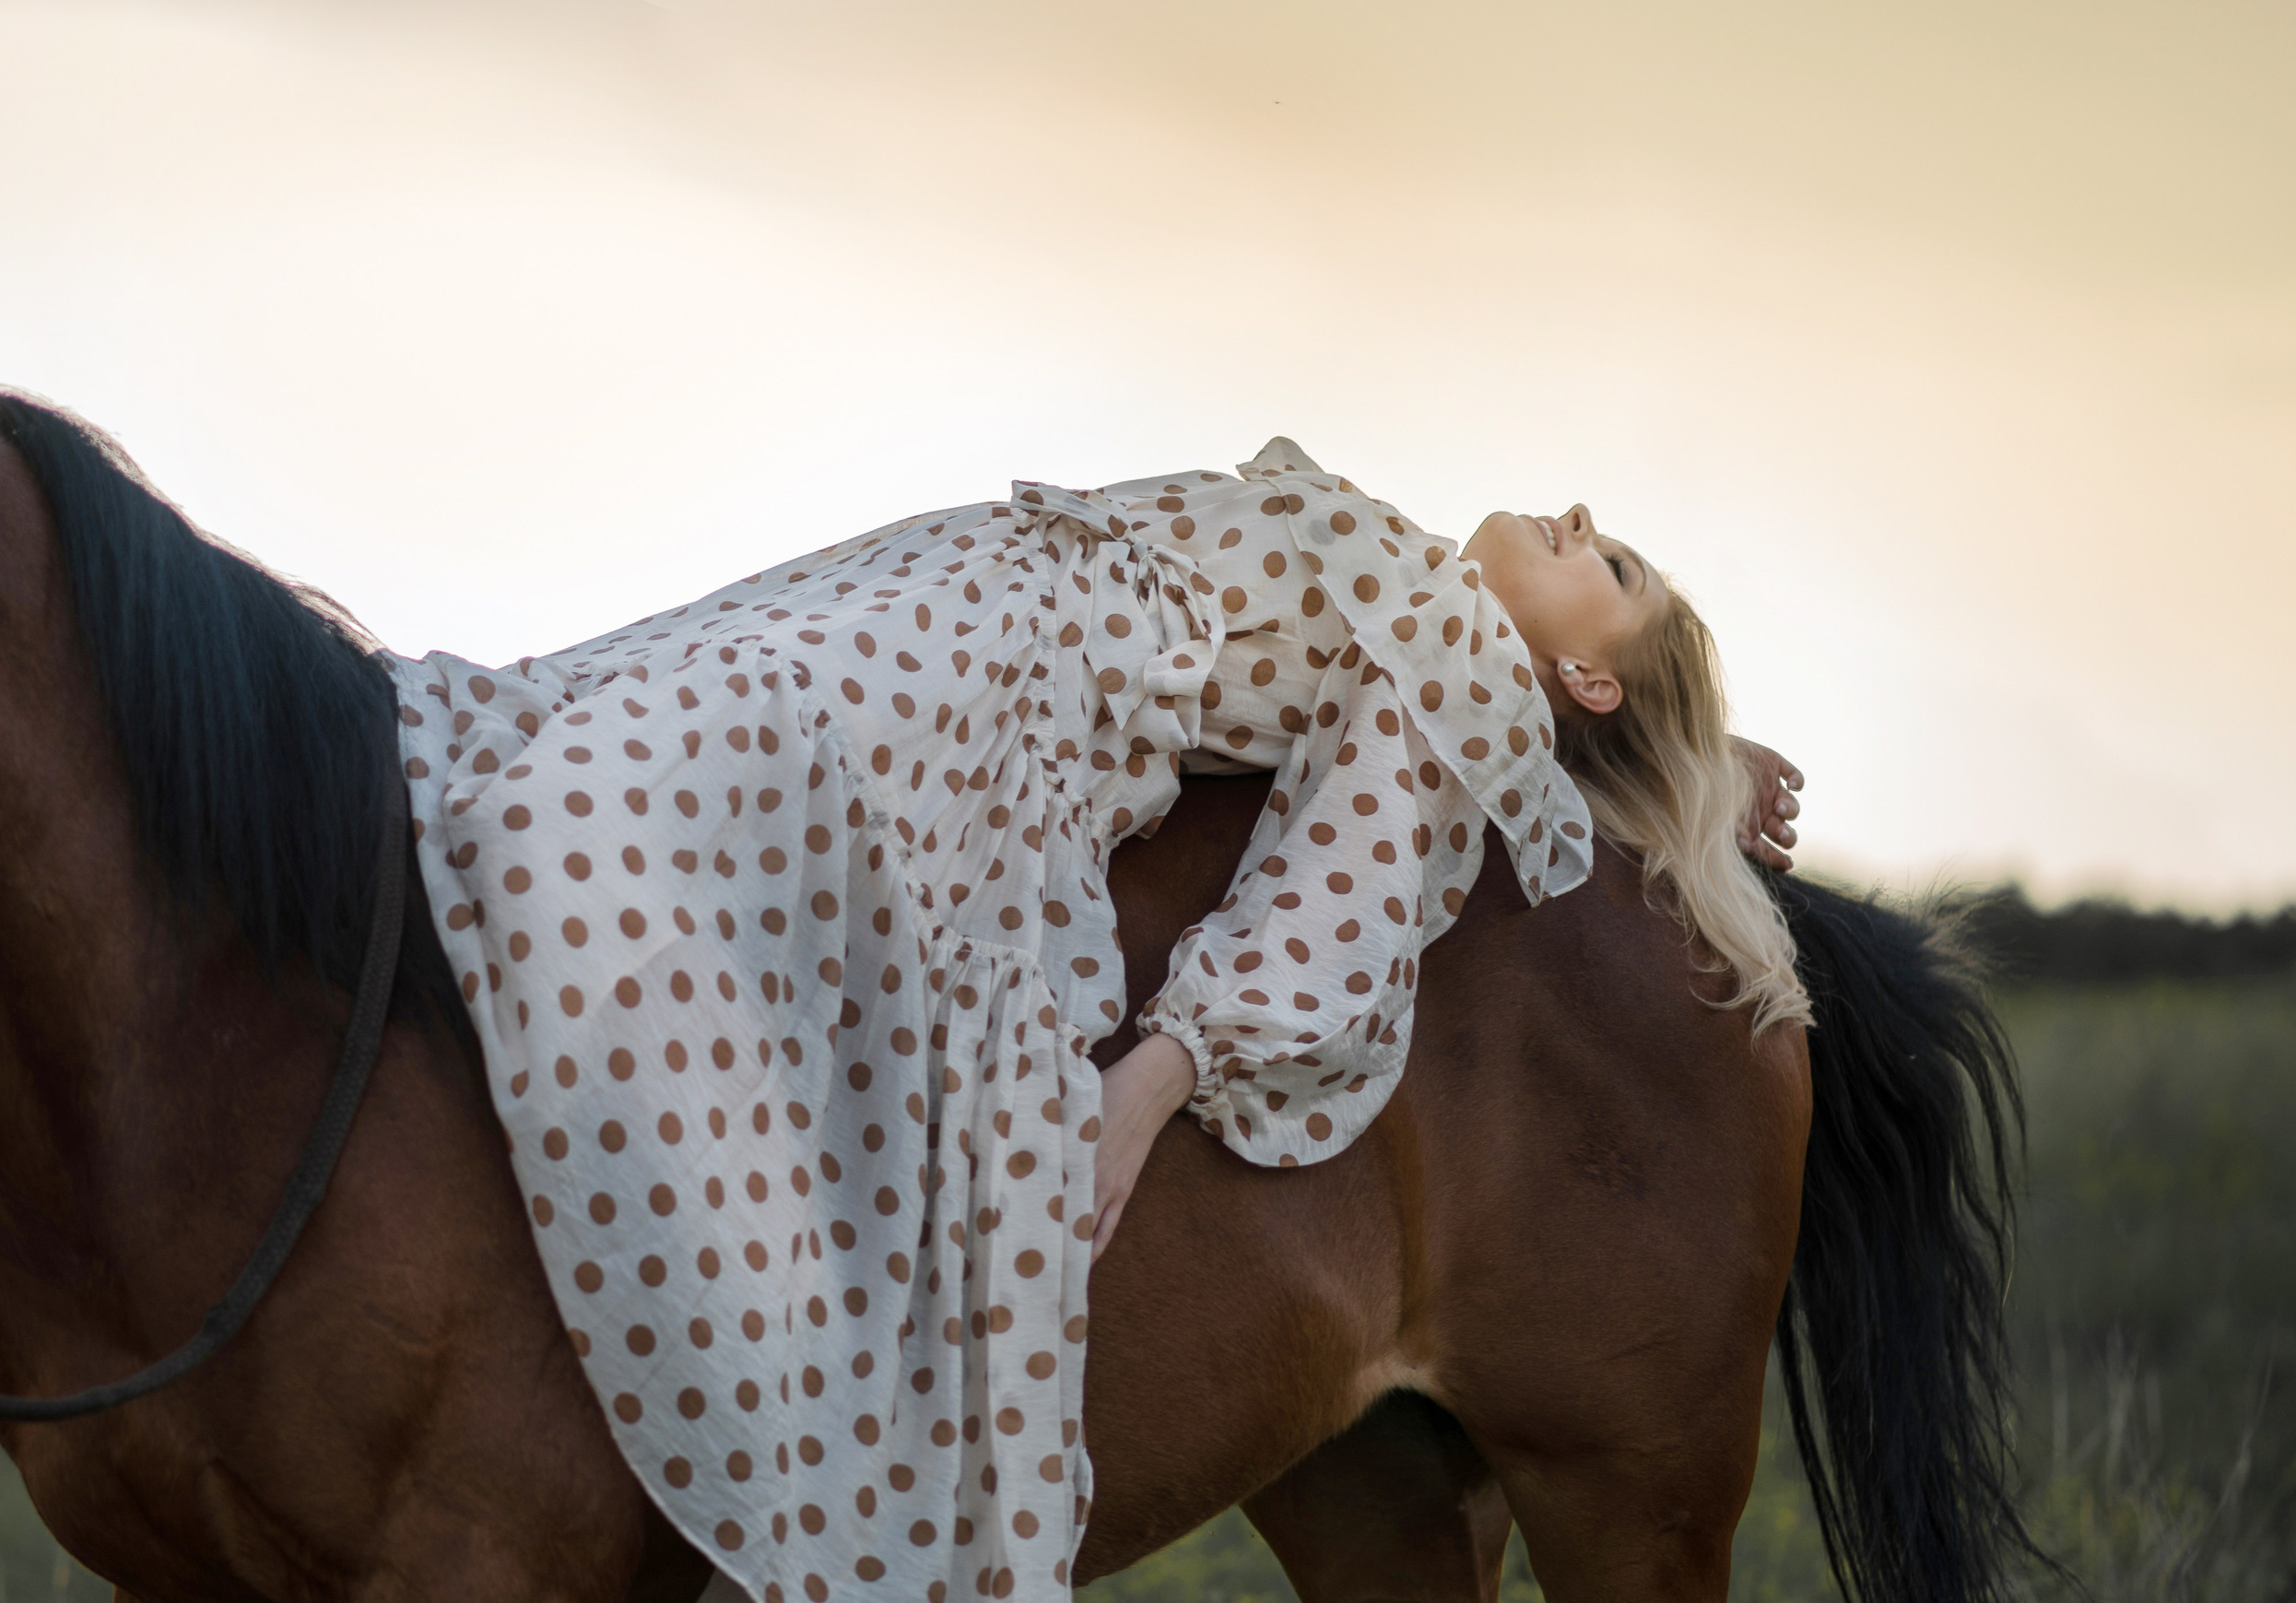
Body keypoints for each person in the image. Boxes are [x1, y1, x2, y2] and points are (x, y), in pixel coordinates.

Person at [391, 435, 1807, 1603]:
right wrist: (1676, 756)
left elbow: (1338, 892)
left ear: (1581, 681)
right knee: (604, 716)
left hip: (980, 672)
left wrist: (1154, 1073)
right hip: (952, 601)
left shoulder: (1455, 678)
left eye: (1608, 566)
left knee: (597, 788)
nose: (1577, 517)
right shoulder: (1432, 607)